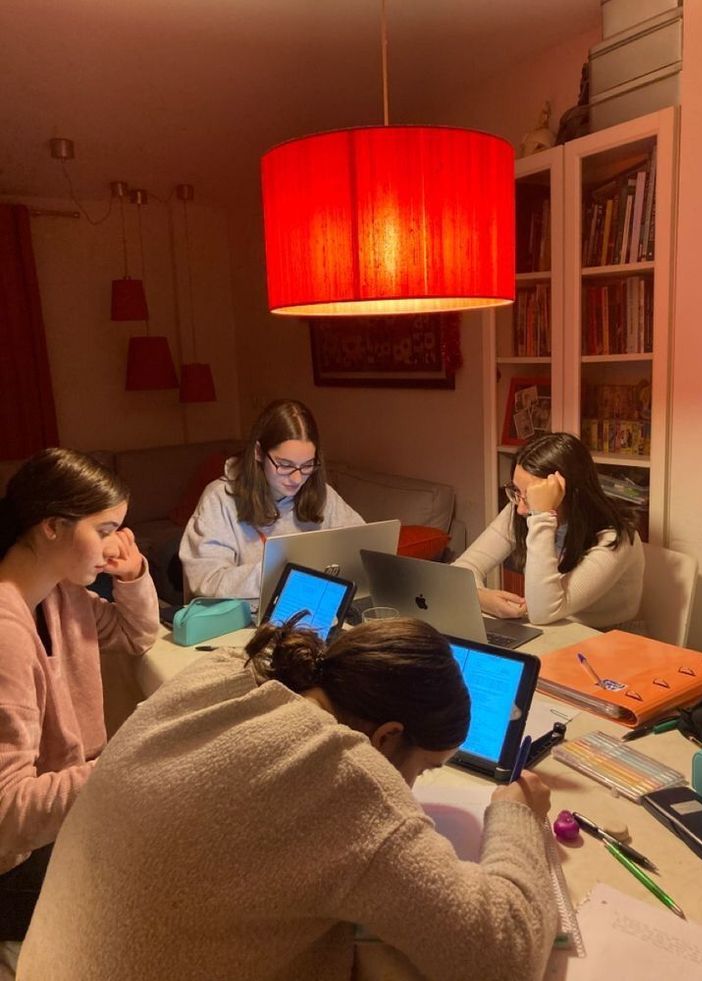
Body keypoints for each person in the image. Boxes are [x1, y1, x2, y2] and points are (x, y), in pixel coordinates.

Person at [18, 617, 557, 981]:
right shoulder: (345, 780)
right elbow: (503, 953)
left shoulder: (221, 674)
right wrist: (516, 817)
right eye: (423, 769)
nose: (412, 790)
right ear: (387, 737)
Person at [0, 448, 160, 940]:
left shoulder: (59, 592)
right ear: (52, 526)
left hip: (54, 820)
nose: (115, 546)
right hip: (13, 864)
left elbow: (137, 634)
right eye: (107, 530)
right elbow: (7, 816)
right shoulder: (5, 632)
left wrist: (131, 575)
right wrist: (124, 766)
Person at [180, 399, 363, 606]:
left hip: (311, 610)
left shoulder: (321, 494)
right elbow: (205, 581)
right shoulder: (220, 499)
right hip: (245, 622)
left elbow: (362, 549)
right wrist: (278, 574)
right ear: (258, 452)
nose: (296, 479)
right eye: (285, 465)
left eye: (307, 465)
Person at [455, 432, 644, 629]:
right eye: (517, 492)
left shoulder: (616, 538)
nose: (520, 508)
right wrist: (481, 598)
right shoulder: (523, 507)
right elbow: (460, 571)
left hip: (607, 641)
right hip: (551, 632)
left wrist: (541, 516)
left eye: (531, 496)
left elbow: (542, 611)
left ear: (567, 494)